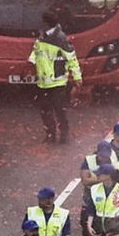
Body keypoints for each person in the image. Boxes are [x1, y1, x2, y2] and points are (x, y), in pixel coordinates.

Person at [28, 11, 82, 145]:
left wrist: (77, 78)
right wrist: (29, 64)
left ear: (47, 23)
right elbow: (36, 52)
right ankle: (50, 135)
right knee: (45, 110)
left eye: (42, 22)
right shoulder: (41, 37)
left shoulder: (60, 39)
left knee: (59, 109)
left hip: (58, 82)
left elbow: (72, 59)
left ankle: (64, 134)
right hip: (43, 82)